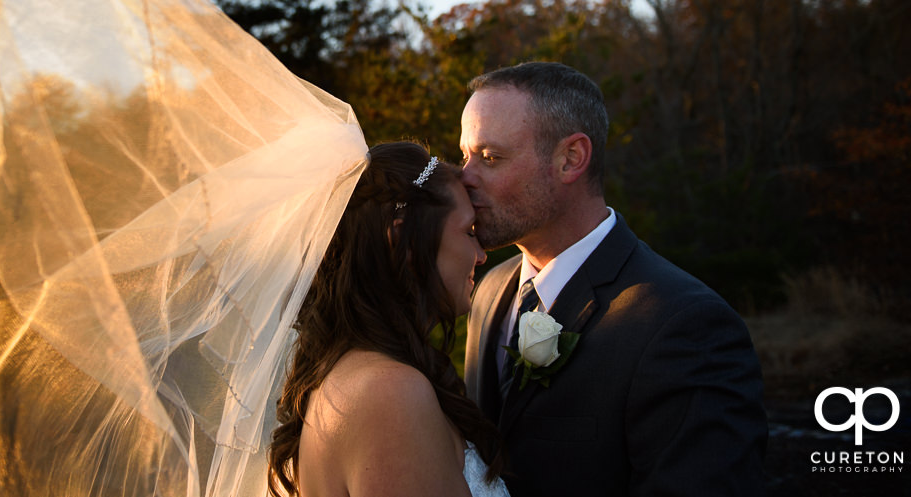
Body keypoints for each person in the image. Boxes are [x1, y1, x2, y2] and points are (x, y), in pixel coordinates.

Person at [460, 62, 767, 496]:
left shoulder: (685, 325)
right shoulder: (489, 290)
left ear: (571, 159)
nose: (464, 177)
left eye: (489, 158)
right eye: (465, 155)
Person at [268, 141, 509, 497]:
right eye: (469, 232)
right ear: (402, 239)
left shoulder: (354, 373)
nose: (480, 255)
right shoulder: (389, 394)